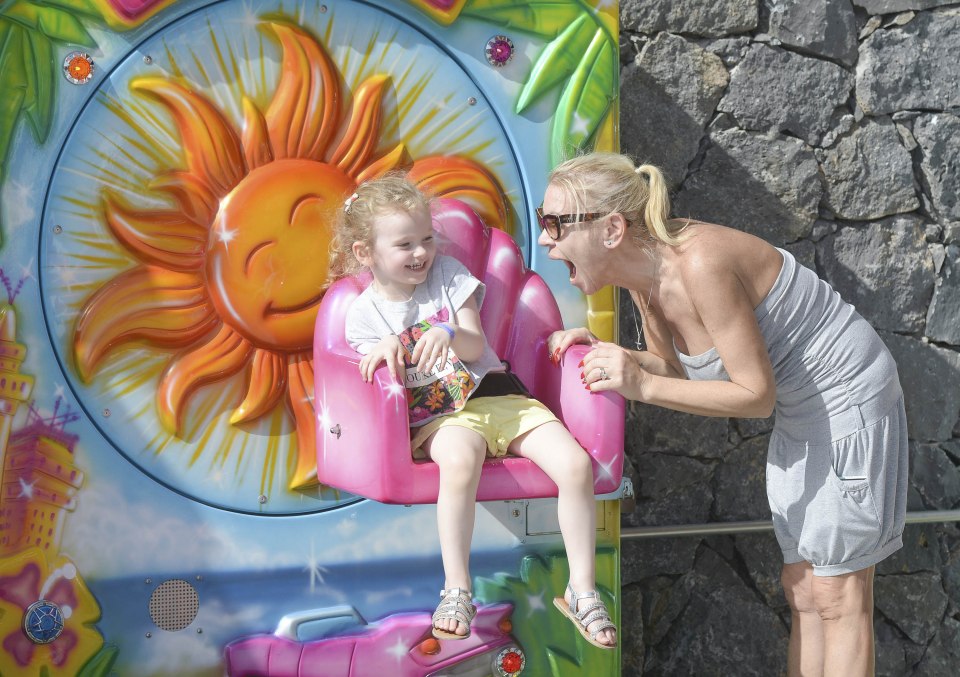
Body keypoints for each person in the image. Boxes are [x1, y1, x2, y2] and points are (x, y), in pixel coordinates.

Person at [540, 152, 907, 676]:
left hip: (848, 399)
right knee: (802, 587)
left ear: (612, 229)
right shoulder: (644, 278)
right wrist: (614, 356)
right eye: (542, 221)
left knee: (837, 592)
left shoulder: (699, 264)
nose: (546, 240)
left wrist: (640, 382)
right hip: (803, 411)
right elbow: (676, 368)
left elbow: (755, 396)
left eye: (555, 223)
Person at [328, 173, 617, 649]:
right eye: (405, 244)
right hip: (444, 418)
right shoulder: (362, 315)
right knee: (460, 462)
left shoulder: (448, 276)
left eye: (426, 239)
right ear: (366, 253)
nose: (421, 252)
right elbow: (374, 380)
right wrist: (389, 350)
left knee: (575, 464)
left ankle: (582, 589)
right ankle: (457, 589)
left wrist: (440, 332)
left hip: (501, 397)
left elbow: (474, 341)